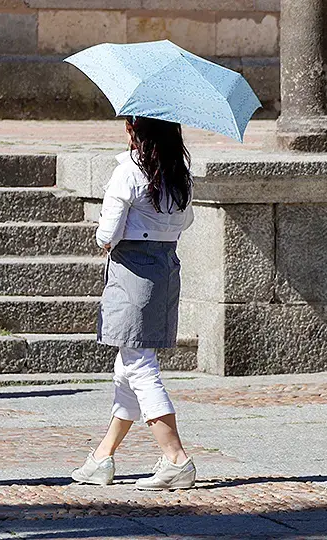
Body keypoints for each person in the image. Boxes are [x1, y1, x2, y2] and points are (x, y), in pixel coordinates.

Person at [71, 116, 196, 491]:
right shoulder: (179, 175)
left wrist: (108, 235)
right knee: (127, 366)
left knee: (139, 365)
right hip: (165, 268)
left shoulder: (128, 172)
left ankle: (176, 458)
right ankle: (102, 457)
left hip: (132, 273)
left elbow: (106, 234)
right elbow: (185, 221)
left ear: (135, 133)